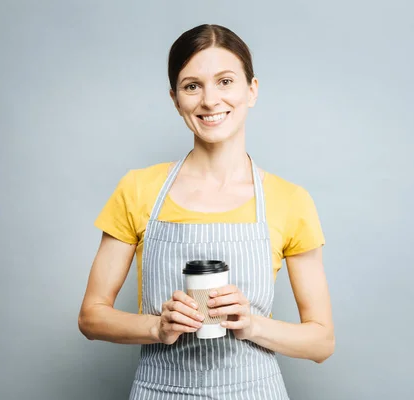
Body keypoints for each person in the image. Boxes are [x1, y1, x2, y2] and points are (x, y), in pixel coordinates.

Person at [78, 23, 334, 399]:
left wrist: (252, 325)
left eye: (225, 81)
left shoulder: (290, 200)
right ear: (175, 98)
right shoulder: (137, 189)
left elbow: (321, 341)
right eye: (192, 85)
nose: (210, 100)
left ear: (252, 90)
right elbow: (90, 316)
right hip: (159, 390)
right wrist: (156, 328)